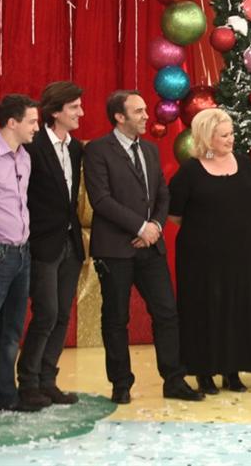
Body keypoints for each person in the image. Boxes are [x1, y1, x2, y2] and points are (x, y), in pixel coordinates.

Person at [84, 90, 202, 404]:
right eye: (138, 111)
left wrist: (156, 227)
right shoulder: (97, 150)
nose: (146, 116)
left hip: (151, 247)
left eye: (145, 110)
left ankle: (173, 379)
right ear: (119, 117)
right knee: (116, 318)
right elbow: (101, 199)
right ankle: (121, 384)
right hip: (115, 249)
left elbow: (163, 194)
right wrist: (140, 227)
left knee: (166, 313)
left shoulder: (149, 149)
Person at [168, 109, 251, 394]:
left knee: (238, 307)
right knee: (204, 309)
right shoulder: (190, 171)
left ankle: (233, 371)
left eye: (231, 133)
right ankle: (204, 372)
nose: (231, 139)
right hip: (200, 256)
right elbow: (175, 214)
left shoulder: (245, 164)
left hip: (241, 252)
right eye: (224, 135)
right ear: (207, 138)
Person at [17, 83, 85, 410]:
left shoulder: (75, 149)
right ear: (56, 111)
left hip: (70, 243)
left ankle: (48, 380)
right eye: (74, 107)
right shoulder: (33, 147)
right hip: (42, 243)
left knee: (62, 316)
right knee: (46, 313)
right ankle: (28, 382)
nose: (81, 113)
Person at [0, 95, 39, 419]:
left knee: (11, 330)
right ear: (12, 122)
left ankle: (4, 396)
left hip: (21, 253)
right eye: (31, 121)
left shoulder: (24, 157)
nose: (36, 127)